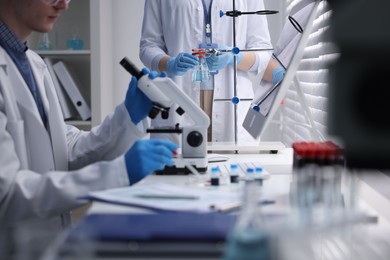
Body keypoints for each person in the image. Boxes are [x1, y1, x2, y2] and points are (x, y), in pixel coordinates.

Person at [0, 0, 177, 254]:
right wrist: (117, 173)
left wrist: (127, 116)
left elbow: (66, 150)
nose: (64, 4)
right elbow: (6, 195)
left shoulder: (34, 62)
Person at [140, 0, 276, 144]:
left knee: (235, 164)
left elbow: (263, 50)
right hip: (179, 97)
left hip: (232, 105)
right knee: (178, 164)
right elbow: (148, 45)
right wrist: (168, 63)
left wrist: (234, 56)